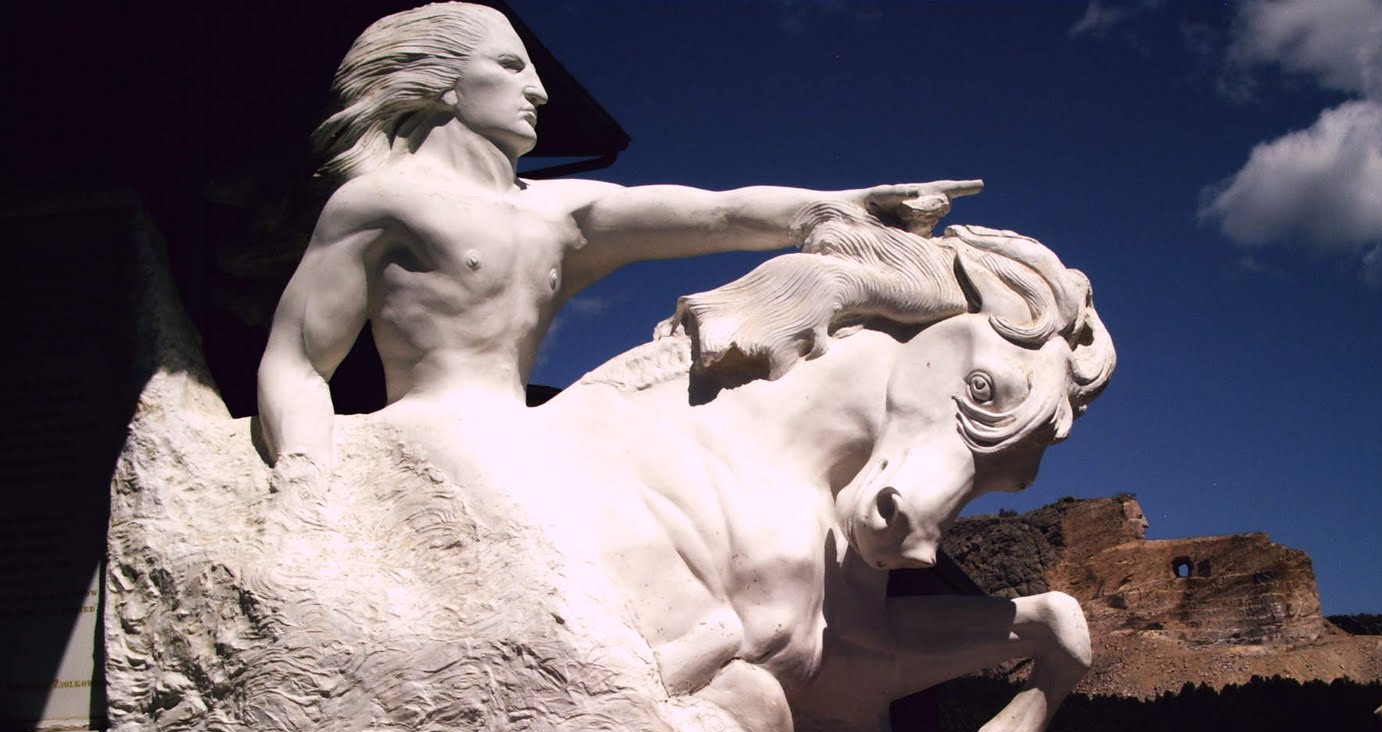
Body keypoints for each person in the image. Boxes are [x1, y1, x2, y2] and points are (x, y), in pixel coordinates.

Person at [257, 2, 981, 494]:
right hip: (427, 447)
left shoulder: (559, 212)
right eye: (510, 67)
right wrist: (304, 476)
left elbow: (720, 213)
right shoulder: (381, 202)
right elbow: (296, 362)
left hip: (529, 446)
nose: (537, 90)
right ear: (444, 84)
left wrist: (841, 205)